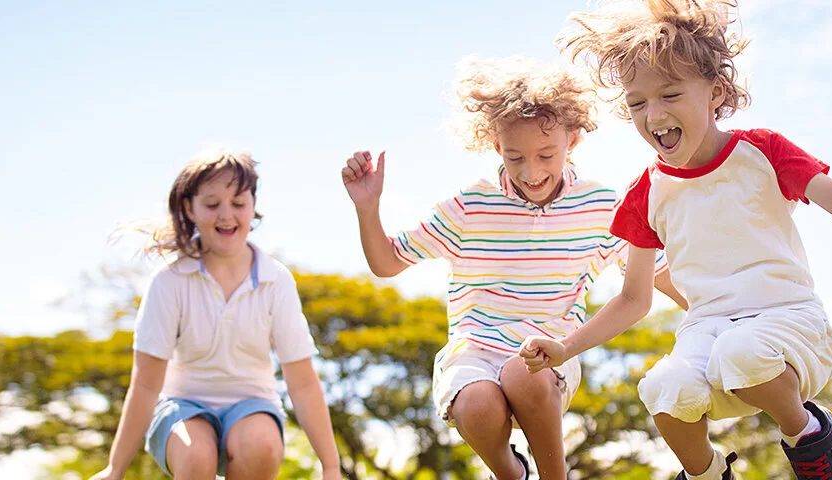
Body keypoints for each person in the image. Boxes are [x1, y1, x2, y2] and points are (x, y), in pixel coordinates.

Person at [519, 2, 832, 479]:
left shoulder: (762, 151)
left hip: (788, 323)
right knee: (665, 388)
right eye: (638, 102)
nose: (654, 115)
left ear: (717, 91)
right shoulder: (644, 194)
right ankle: (709, 474)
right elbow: (632, 298)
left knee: (742, 351)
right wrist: (565, 347)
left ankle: (810, 439)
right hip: (707, 333)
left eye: (670, 94)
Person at [340, 56, 687, 480]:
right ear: (495, 146)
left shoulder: (600, 207)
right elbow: (387, 262)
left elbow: (659, 276)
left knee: (522, 374)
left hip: (551, 351)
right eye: (515, 156)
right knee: (477, 406)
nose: (531, 170)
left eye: (546, 154)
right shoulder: (469, 206)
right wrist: (368, 207)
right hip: (476, 348)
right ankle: (512, 473)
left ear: (572, 139)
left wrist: (724, 315)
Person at [91, 148, 342, 480]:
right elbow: (147, 382)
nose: (226, 215)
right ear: (189, 208)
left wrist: (331, 467)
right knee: (197, 456)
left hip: (254, 404)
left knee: (261, 446)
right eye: (212, 204)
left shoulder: (275, 280)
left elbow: (303, 382)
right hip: (181, 405)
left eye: (238, 203)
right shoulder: (169, 281)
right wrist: (114, 469)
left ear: (253, 206)